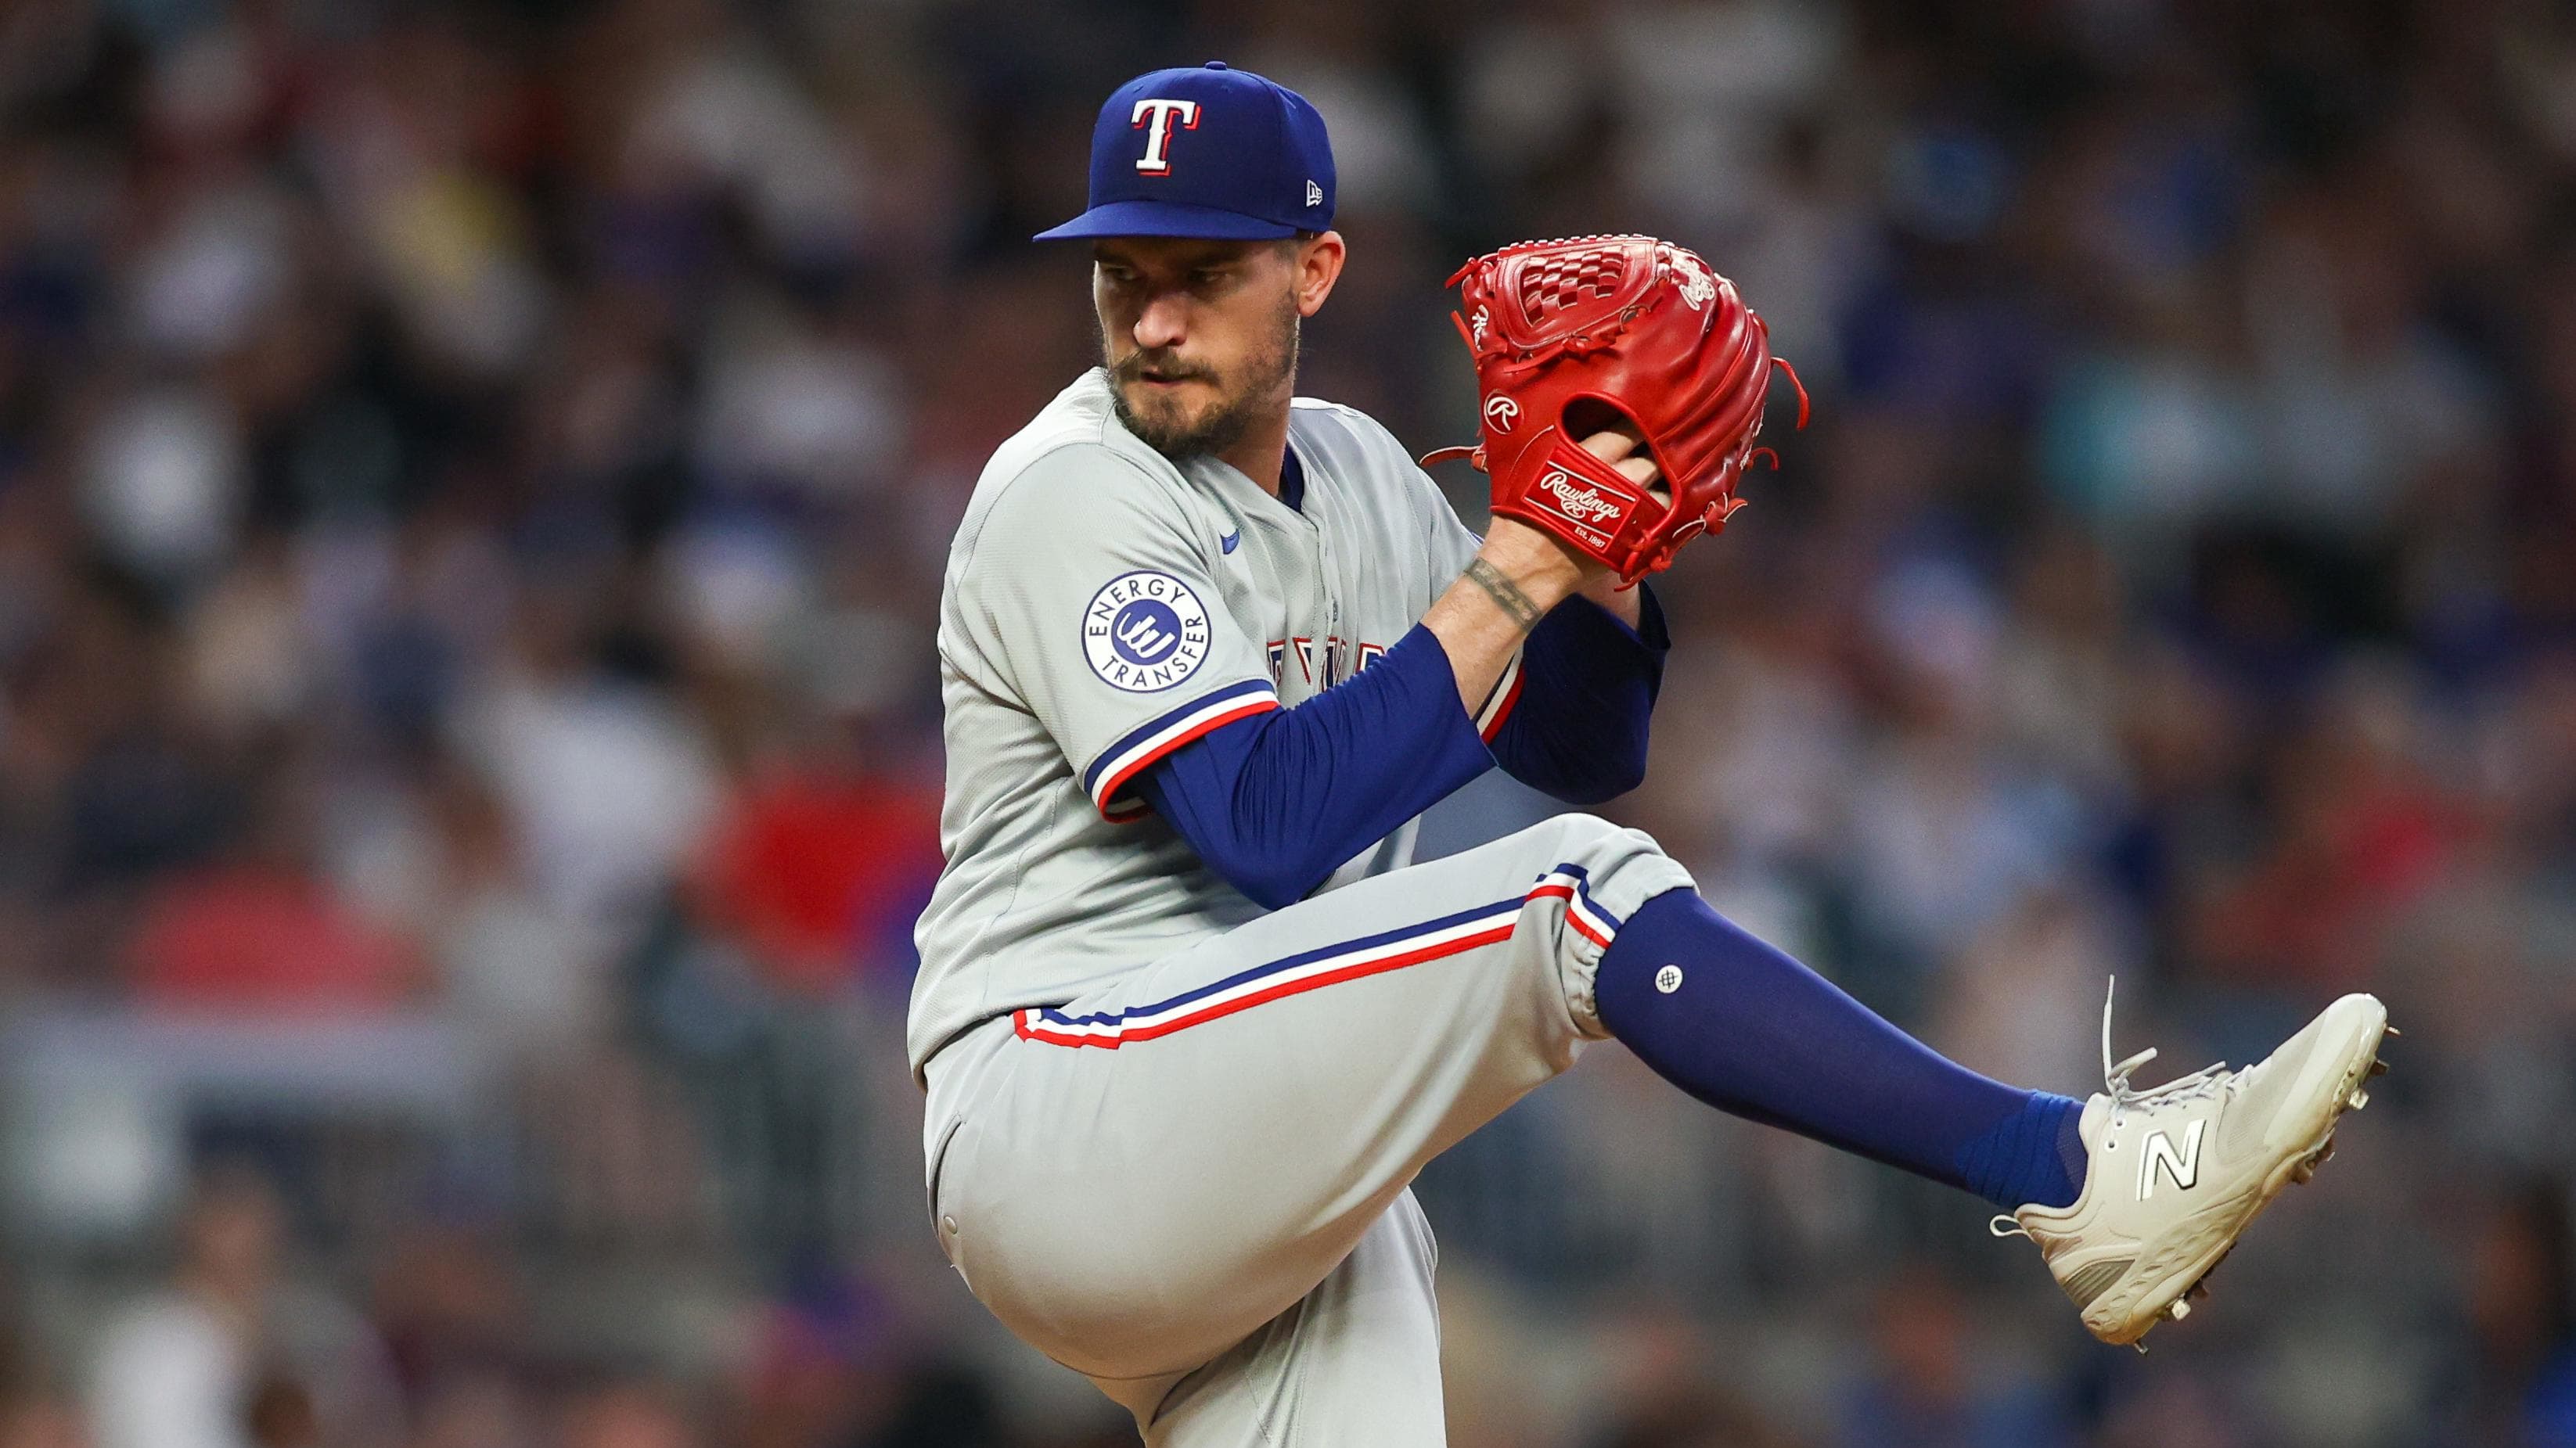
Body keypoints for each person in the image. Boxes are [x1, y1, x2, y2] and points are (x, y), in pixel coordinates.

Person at [909, 61, 2391, 1446]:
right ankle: (2074, 1172)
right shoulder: (1072, 490)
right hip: (1064, 1105)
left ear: (1315, 273)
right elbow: (1266, 824)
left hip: (1250, 1166)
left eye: (1203, 275)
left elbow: (1577, 739)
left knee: (1556, 897)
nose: (1154, 319)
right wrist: (1518, 564)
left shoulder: (1360, 469)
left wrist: (1602, 554)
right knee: (1572, 898)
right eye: (1125, 275)